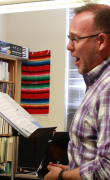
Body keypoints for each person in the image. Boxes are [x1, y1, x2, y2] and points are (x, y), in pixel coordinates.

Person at [44, 3, 110, 180]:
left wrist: (62, 175)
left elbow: (107, 169)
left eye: (76, 39)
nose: (68, 46)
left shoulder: (107, 89)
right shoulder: (96, 85)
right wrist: (73, 169)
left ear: (101, 41)